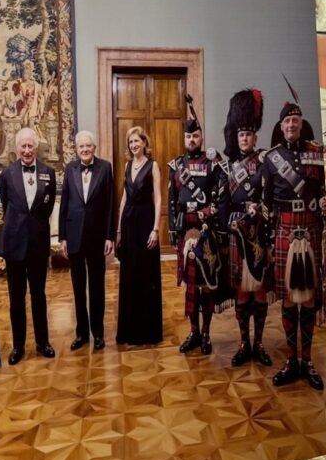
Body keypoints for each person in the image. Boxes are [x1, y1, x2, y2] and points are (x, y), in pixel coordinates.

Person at [261, 98, 326, 390]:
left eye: (295, 120)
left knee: (309, 297)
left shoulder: (317, 152)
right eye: (287, 121)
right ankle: (291, 360)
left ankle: (307, 361)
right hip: (284, 231)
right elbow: (265, 203)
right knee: (289, 297)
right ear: (281, 125)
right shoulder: (271, 158)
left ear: (301, 123)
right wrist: (268, 240)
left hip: (311, 228)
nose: (291, 125)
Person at [217, 89, 272, 367]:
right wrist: (226, 233)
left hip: (258, 234)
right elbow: (223, 205)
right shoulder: (228, 169)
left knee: (258, 291)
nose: (245, 139)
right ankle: (243, 343)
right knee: (241, 290)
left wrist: (259, 212)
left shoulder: (264, 164)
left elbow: (270, 198)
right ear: (236, 137)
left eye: (249, 135)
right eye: (241, 135)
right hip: (236, 234)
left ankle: (259, 343)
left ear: (255, 138)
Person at [168, 105, 226, 354]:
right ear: (184, 138)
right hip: (185, 232)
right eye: (188, 136)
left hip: (205, 231)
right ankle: (193, 332)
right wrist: (173, 230)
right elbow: (172, 200)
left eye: (195, 135)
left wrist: (209, 213)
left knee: (206, 286)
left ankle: (206, 334)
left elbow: (221, 196)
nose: (191, 140)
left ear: (202, 137)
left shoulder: (213, 163)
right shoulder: (176, 165)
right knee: (190, 285)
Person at [0, 127, 57, 365]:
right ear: (17, 148)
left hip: (38, 244)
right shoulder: (7, 174)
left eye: (30, 146)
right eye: (23, 146)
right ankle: (18, 346)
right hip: (14, 244)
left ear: (36, 147)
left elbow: (48, 207)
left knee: (39, 295)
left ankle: (43, 342)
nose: (27, 150)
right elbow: (6, 204)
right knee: (16, 297)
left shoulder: (48, 173)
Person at [58, 130, 114, 351]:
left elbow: (110, 204)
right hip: (74, 237)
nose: (85, 150)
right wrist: (62, 237)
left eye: (88, 146)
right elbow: (64, 204)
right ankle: (81, 333)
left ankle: (98, 333)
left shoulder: (105, 168)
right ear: (76, 149)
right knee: (78, 288)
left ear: (94, 148)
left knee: (97, 287)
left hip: (97, 237)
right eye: (81, 146)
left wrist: (109, 236)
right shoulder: (70, 169)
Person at [116, 126, 163, 345]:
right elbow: (124, 199)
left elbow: (158, 198)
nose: (134, 145)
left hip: (145, 223)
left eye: (137, 141)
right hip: (128, 224)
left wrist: (155, 229)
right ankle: (129, 330)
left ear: (144, 142)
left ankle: (147, 332)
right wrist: (118, 230)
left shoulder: (153, 166)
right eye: (131, 142)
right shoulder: (127, 165)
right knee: (130, 275)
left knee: (146, 274)